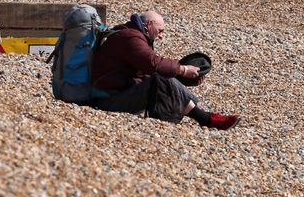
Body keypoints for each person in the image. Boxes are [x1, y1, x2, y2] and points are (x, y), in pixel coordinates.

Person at [91, 10, 241, 130]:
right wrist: (182, 70)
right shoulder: (130, 38)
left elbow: (146, 71)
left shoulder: (133, 34)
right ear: (149, 24)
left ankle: (206, 118)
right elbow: (153, 64)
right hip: (109, 101)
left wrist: (184, 79)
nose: (162, 36)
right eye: (160, 30)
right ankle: (205, 118)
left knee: (161, 75)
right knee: (159, 75)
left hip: (119, 94)